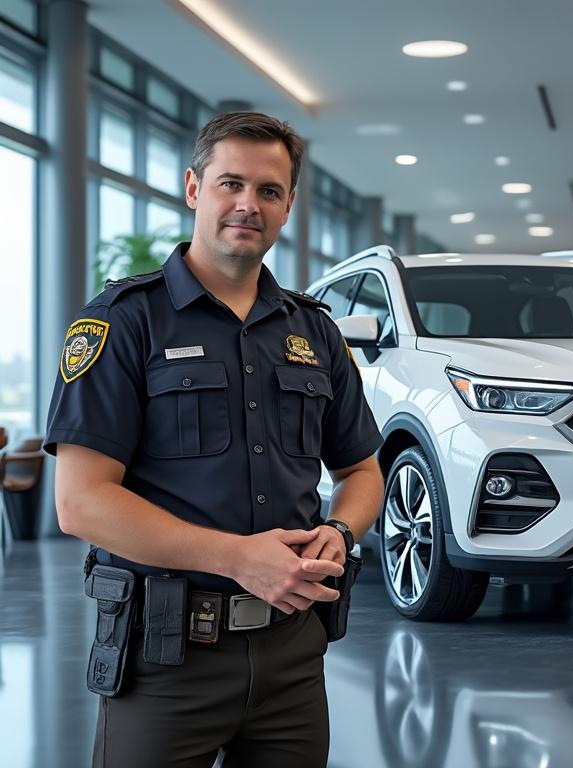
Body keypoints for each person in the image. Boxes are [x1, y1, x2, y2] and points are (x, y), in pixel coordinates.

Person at [44, 111, 384, 767]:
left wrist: (339, 534)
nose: (247, 205)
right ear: (195, 189)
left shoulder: (315, 333)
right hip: (167, 655)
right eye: (231, 184)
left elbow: (361, 472)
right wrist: (237, 558)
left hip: (293, 655)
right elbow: (80, 503)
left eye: (268, 190)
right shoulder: (122, 322)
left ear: (288, 205)